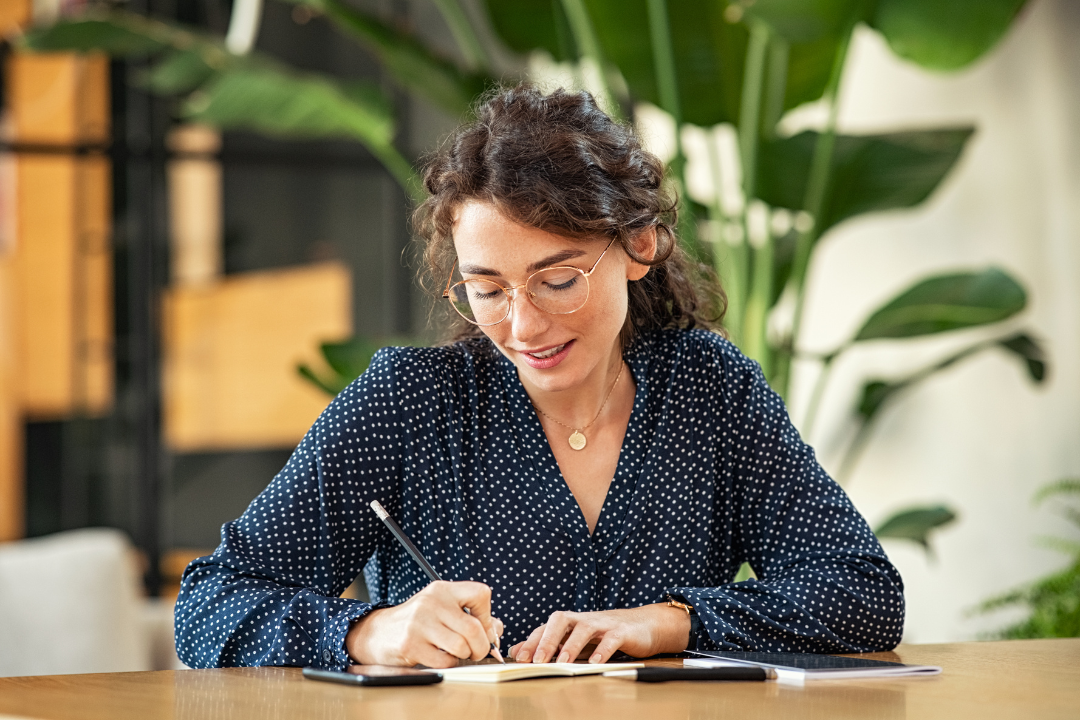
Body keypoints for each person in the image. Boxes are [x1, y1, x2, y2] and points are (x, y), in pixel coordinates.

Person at [175, 85, 904, 671]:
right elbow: (209, 607)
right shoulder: (408, 402)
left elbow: (862, 591)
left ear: (639, 245)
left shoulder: (708, 391)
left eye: (557, 280)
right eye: (488, 289)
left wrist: (672, 623)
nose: (523, 327)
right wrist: (371, 631)